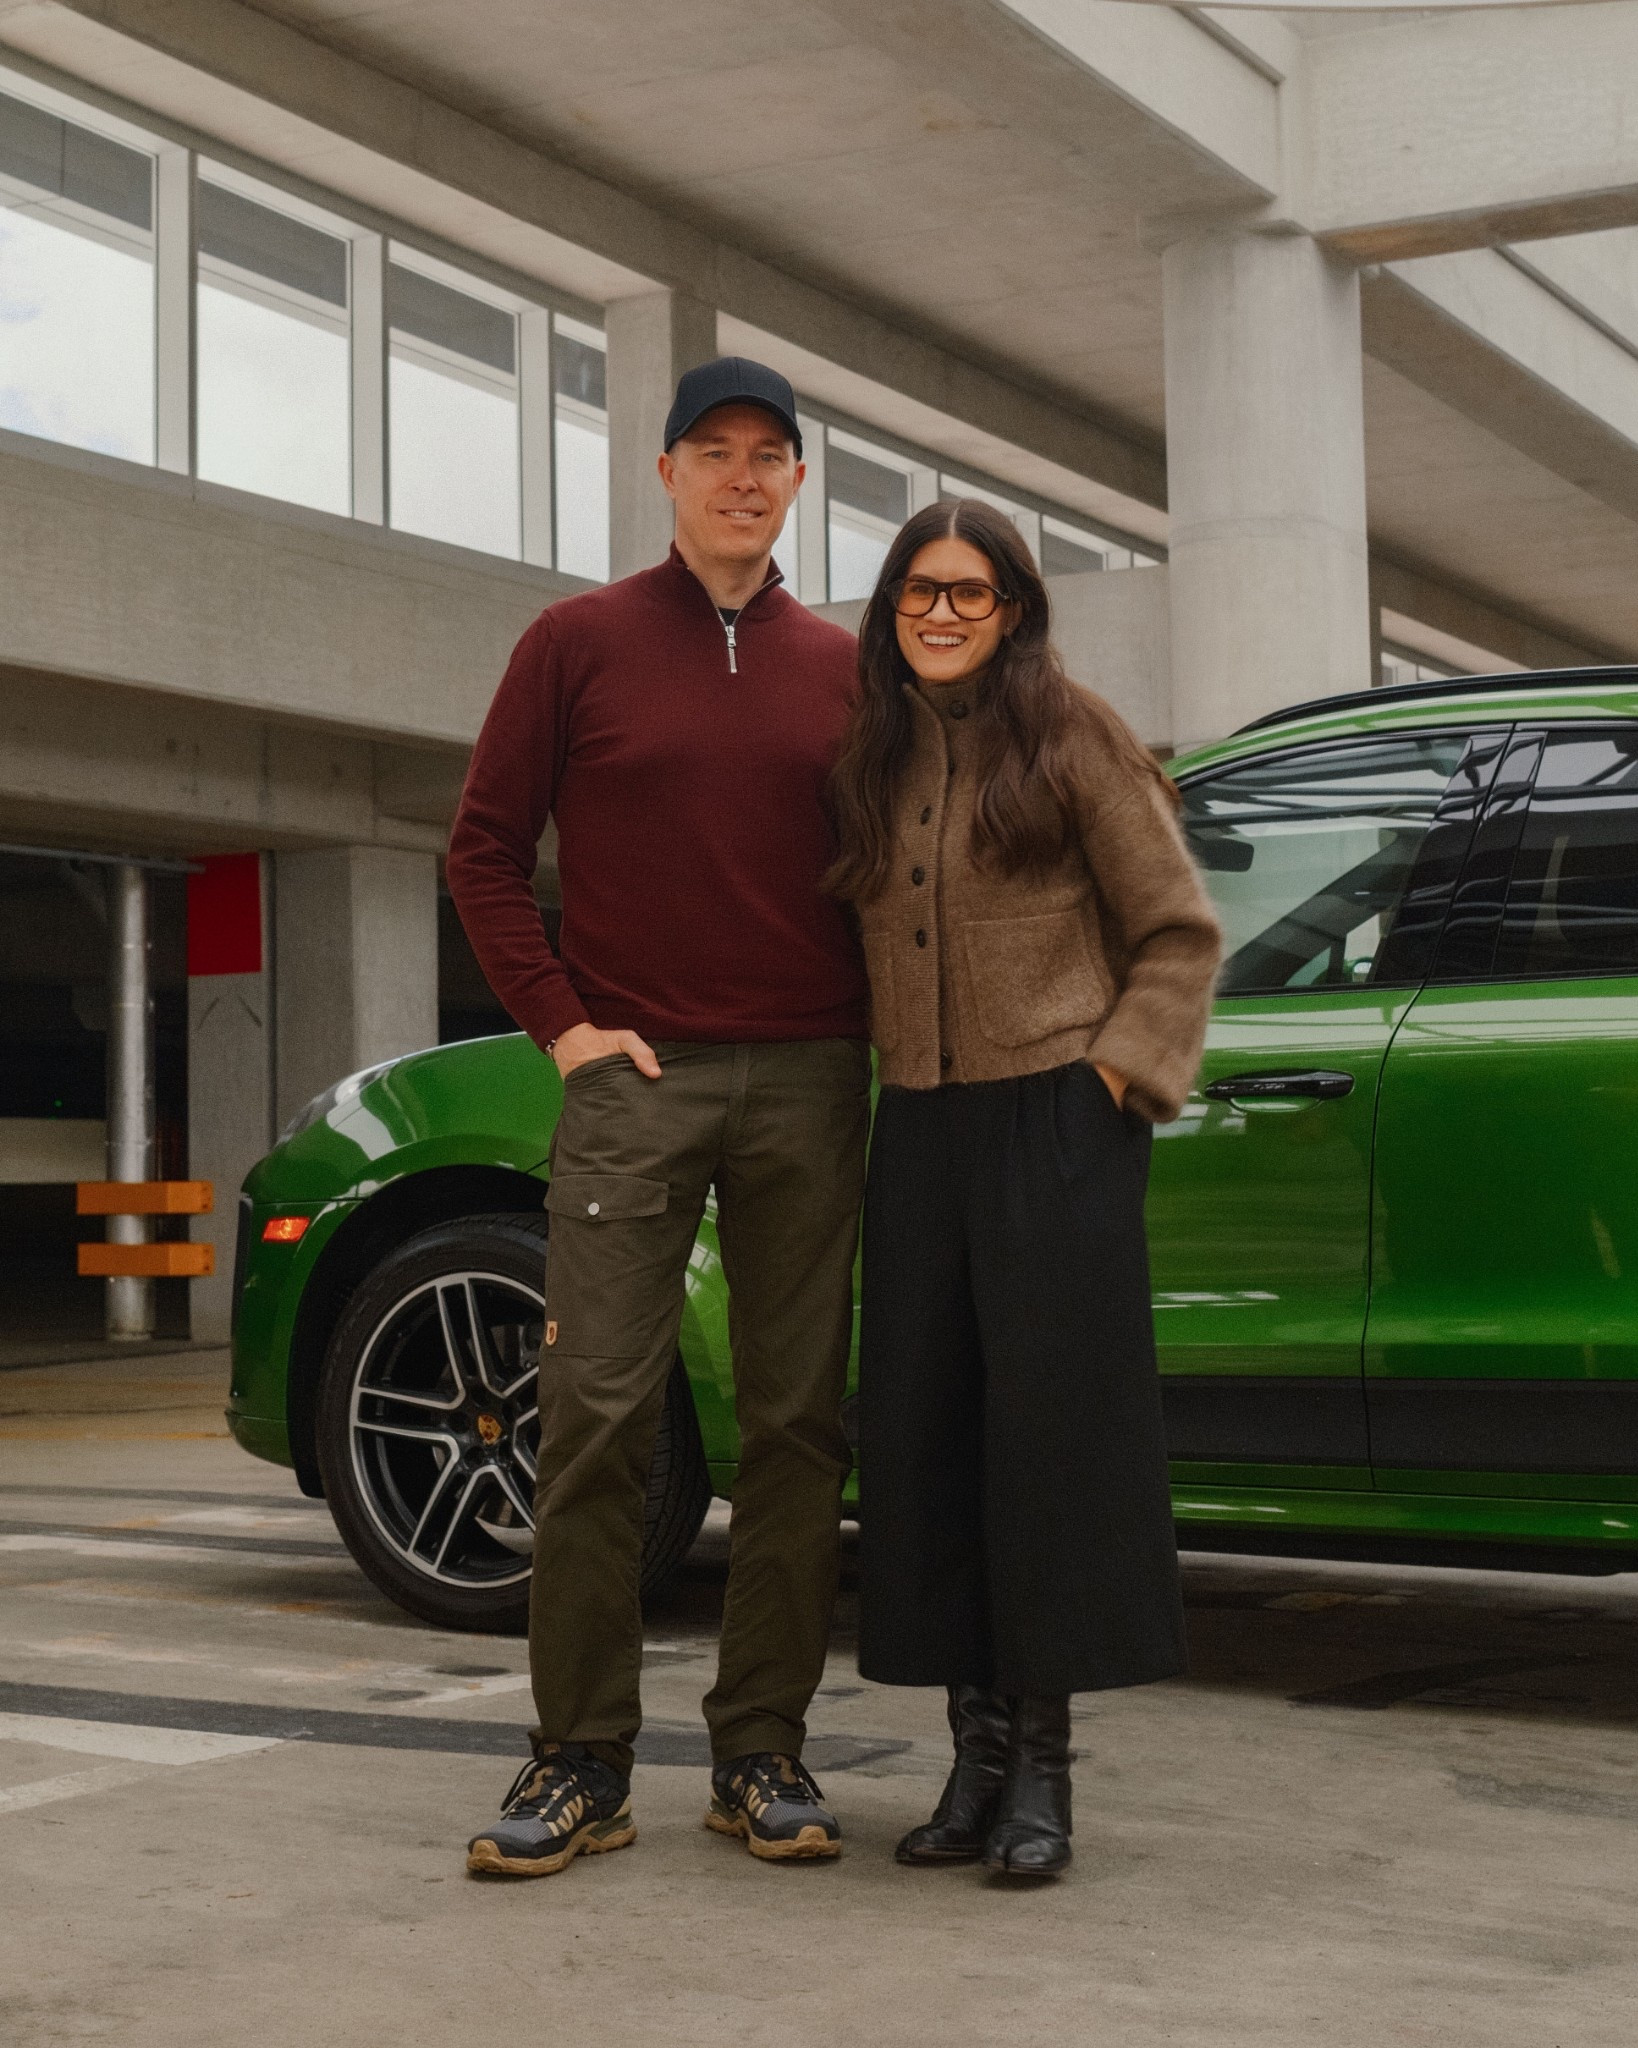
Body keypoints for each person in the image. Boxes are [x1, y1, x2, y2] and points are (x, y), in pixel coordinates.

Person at [447, 358, 871, 1878]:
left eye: (771, 455)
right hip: (635, 1080)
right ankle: (579, 1760)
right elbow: (483, 852)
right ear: (665, 473)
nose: (743, 477)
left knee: (793, 1425)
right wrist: (562, 1028)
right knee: (601, 1414)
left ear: (798, 485)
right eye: (714, 452)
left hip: (813, 1079)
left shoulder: (848, 666)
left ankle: (761, 1752)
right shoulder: (576, 643)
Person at [827, 498, 1221, 1880]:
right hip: (919, 1131)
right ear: (890, 611)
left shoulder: (1074, 736)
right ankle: (970, 1758)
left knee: (1046, 1445)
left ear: (1010, 609)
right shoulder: (867, 757)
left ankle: (1044, 1771)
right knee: (928, 1442)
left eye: (969, 592)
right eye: (918, 592)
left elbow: (1176, 930)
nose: (941, 613)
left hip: (1053, 1119)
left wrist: (1113, 1084)